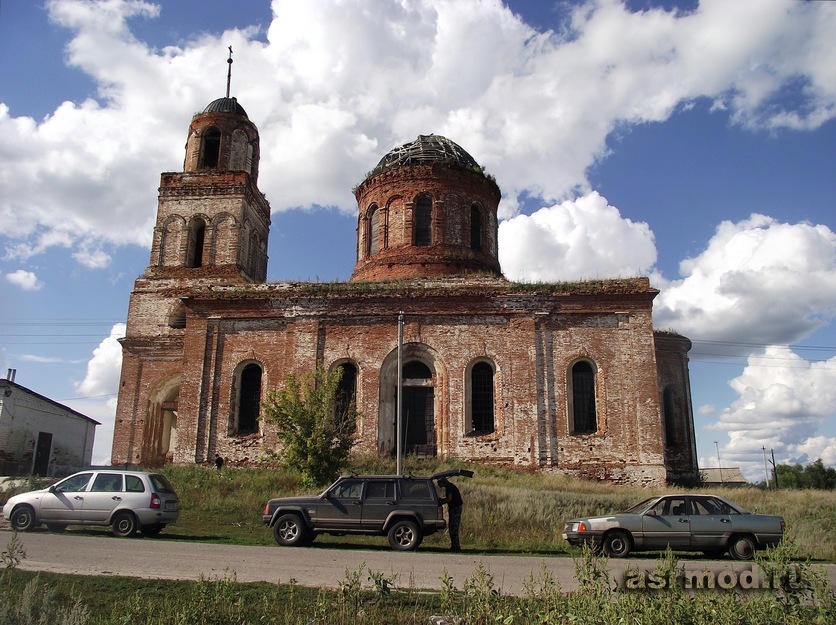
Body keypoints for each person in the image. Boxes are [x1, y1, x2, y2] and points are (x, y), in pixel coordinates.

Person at [438, 478, 463, 552]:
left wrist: (441, 502)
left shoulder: (449, 487)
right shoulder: (450, 486)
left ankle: (456, 547)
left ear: (443, 482)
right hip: (455, 508)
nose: (438, 484)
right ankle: (454, 546)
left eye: (439, 482)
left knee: (453, 528)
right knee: (452, 528)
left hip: (455, 509)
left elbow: (449, 499)